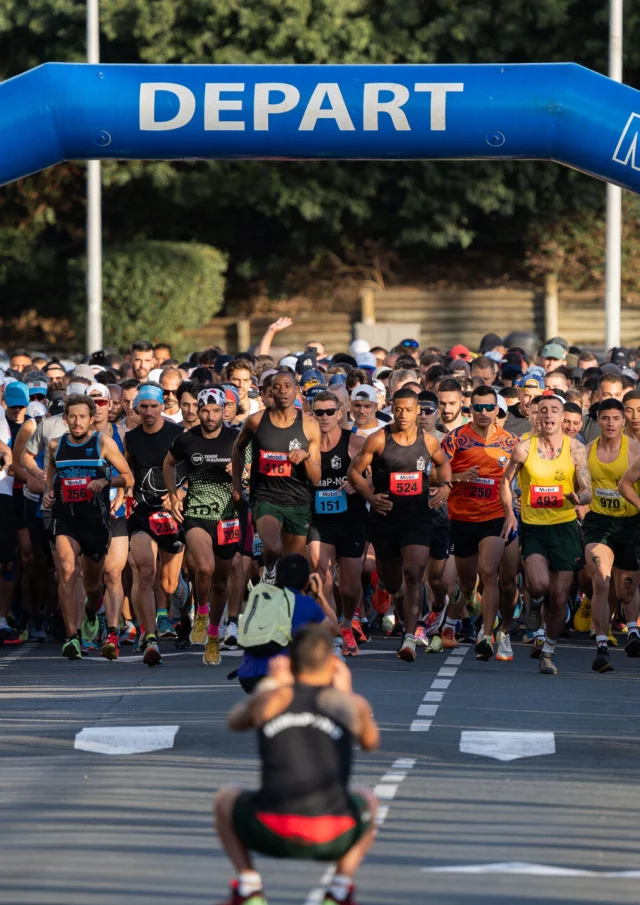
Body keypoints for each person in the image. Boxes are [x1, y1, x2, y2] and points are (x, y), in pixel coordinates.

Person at [215, 624, 379, 905]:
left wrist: (271, 683)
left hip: (270, 830)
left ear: (290, 664)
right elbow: (370, 742)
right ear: (332, 664)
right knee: (370, 801)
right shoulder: (348, 704)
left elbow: (235, 721)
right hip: (334, 833)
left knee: (224, 799)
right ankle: (339, 890)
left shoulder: (273, 700)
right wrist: (347, 692)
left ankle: (250, 887)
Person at [347, 387, 452, 662]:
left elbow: (444, 464)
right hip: (385, 519)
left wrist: (446, 487)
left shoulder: (428, 441)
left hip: (417, 517)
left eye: (408, 409)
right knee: (393, 583)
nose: (403, 415)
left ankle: (409, 637)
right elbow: (354, 472)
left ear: (418, 410)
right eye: (398, 409)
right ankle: (389, 598)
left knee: (415, 573)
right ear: (391, 409)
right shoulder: (378, 440)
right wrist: (371, 496)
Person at [501, 394, 592, 675]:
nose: (549, 415)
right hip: (535, 527)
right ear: (536, 416)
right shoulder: (523, 449)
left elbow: (588, 486)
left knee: (560, 597)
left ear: (562, 416)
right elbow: (506, 481)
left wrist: (580, 497)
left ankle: (549, 652)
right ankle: (534, 603)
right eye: (543, 411)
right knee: (540, 585)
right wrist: (509, 513)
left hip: (564, 528)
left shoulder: (576, 449)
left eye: (555, 410)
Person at [42, 394, 133, 660]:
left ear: (91, 418)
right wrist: (48, 493)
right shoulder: (56, 445)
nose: (77, 421)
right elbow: (51, 474)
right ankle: (72, 638)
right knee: (68, 571)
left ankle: (93, 612)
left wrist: (106, 482)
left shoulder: (102, 443)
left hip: (95, 520)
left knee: (94, 585)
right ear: (65, 418)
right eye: (72, 416)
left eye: (82, 416)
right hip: (66, 518)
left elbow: (128, 476)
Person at [164, 387, 241, 666]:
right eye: (204, 411)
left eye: (215, 411)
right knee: (204, 568)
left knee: (221, 580)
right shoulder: (186, 439)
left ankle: (212, 636)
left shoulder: (236, 439)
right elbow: (168, 463)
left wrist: (241, 474)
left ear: (224, 411)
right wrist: (173, 494)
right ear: (197, 411)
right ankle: (202, 613)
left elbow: (250, 473)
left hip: (228, 516)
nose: (209, 416)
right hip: (196, 513)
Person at [441, 385, 519, 661]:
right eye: (478, 408)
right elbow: (432, 475)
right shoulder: (455, 439)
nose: (484, 413)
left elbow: (525, 477)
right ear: (469, 409)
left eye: (489, 407)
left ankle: (488, 635)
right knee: (466, 584)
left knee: (489, 572)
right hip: (461, 517)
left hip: (495, 516)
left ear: (497, 410)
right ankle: (471, 604)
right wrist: (459, 476)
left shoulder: (511, 442)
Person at [232, 369, 321, 584]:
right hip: (265, 498)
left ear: (297, 391)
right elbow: (238, 449)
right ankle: (270, 569)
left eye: (288, 386)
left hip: (298, 501)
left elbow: (316, 478)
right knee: (273, 548)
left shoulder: (309, 425)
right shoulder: (256, 421)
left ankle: (283, 608)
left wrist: (305, 456)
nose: (282, 391)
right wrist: (237, 486)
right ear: (270, 391)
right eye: (277, 387)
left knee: (293, 565)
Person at [124, 383, 185, 666]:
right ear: (137, 407)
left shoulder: (176, 433)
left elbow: (188, 470)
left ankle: (183, 615)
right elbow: (128, 472)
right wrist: (123, 493)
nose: (148, 412)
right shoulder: (131, 437)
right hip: (141, 513)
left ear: (162, 406)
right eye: (143, 406)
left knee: (169, 583)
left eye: (154, 406)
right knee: (145, 572)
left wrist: (178, 496)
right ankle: (150, 637)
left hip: (171, 513)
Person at [582, 399, 640, 672]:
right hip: (598, 524)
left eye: (615, 418)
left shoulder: (635, 450)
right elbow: (578, 486)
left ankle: (632, 631)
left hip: (630, 524)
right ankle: (602, 646)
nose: (610, 424)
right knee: (601, 580)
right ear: (598, 420)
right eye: (605, 418)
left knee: (626, 592)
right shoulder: (587, 451)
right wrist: (579, 502)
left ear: (623, 421)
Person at [307, 391, 366, 657]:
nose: (324, 417)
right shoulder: (306, 443)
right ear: (312, 414)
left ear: (340, 413)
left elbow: (379, 478)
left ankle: (346, 621)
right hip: (319, 519)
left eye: (330, 412)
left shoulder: (355, 442)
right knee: (322, 574)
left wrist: (360, 484)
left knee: (350, 587)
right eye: (319, 412)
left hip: (351, 519)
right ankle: (332, 634)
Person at [236, 554, 339, 693]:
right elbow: (334, 629)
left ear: (277, 577)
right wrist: (319, 595)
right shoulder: (305, 603)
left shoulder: (262, 598)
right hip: (280, 675)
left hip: (248, 674)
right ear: (307, 582)